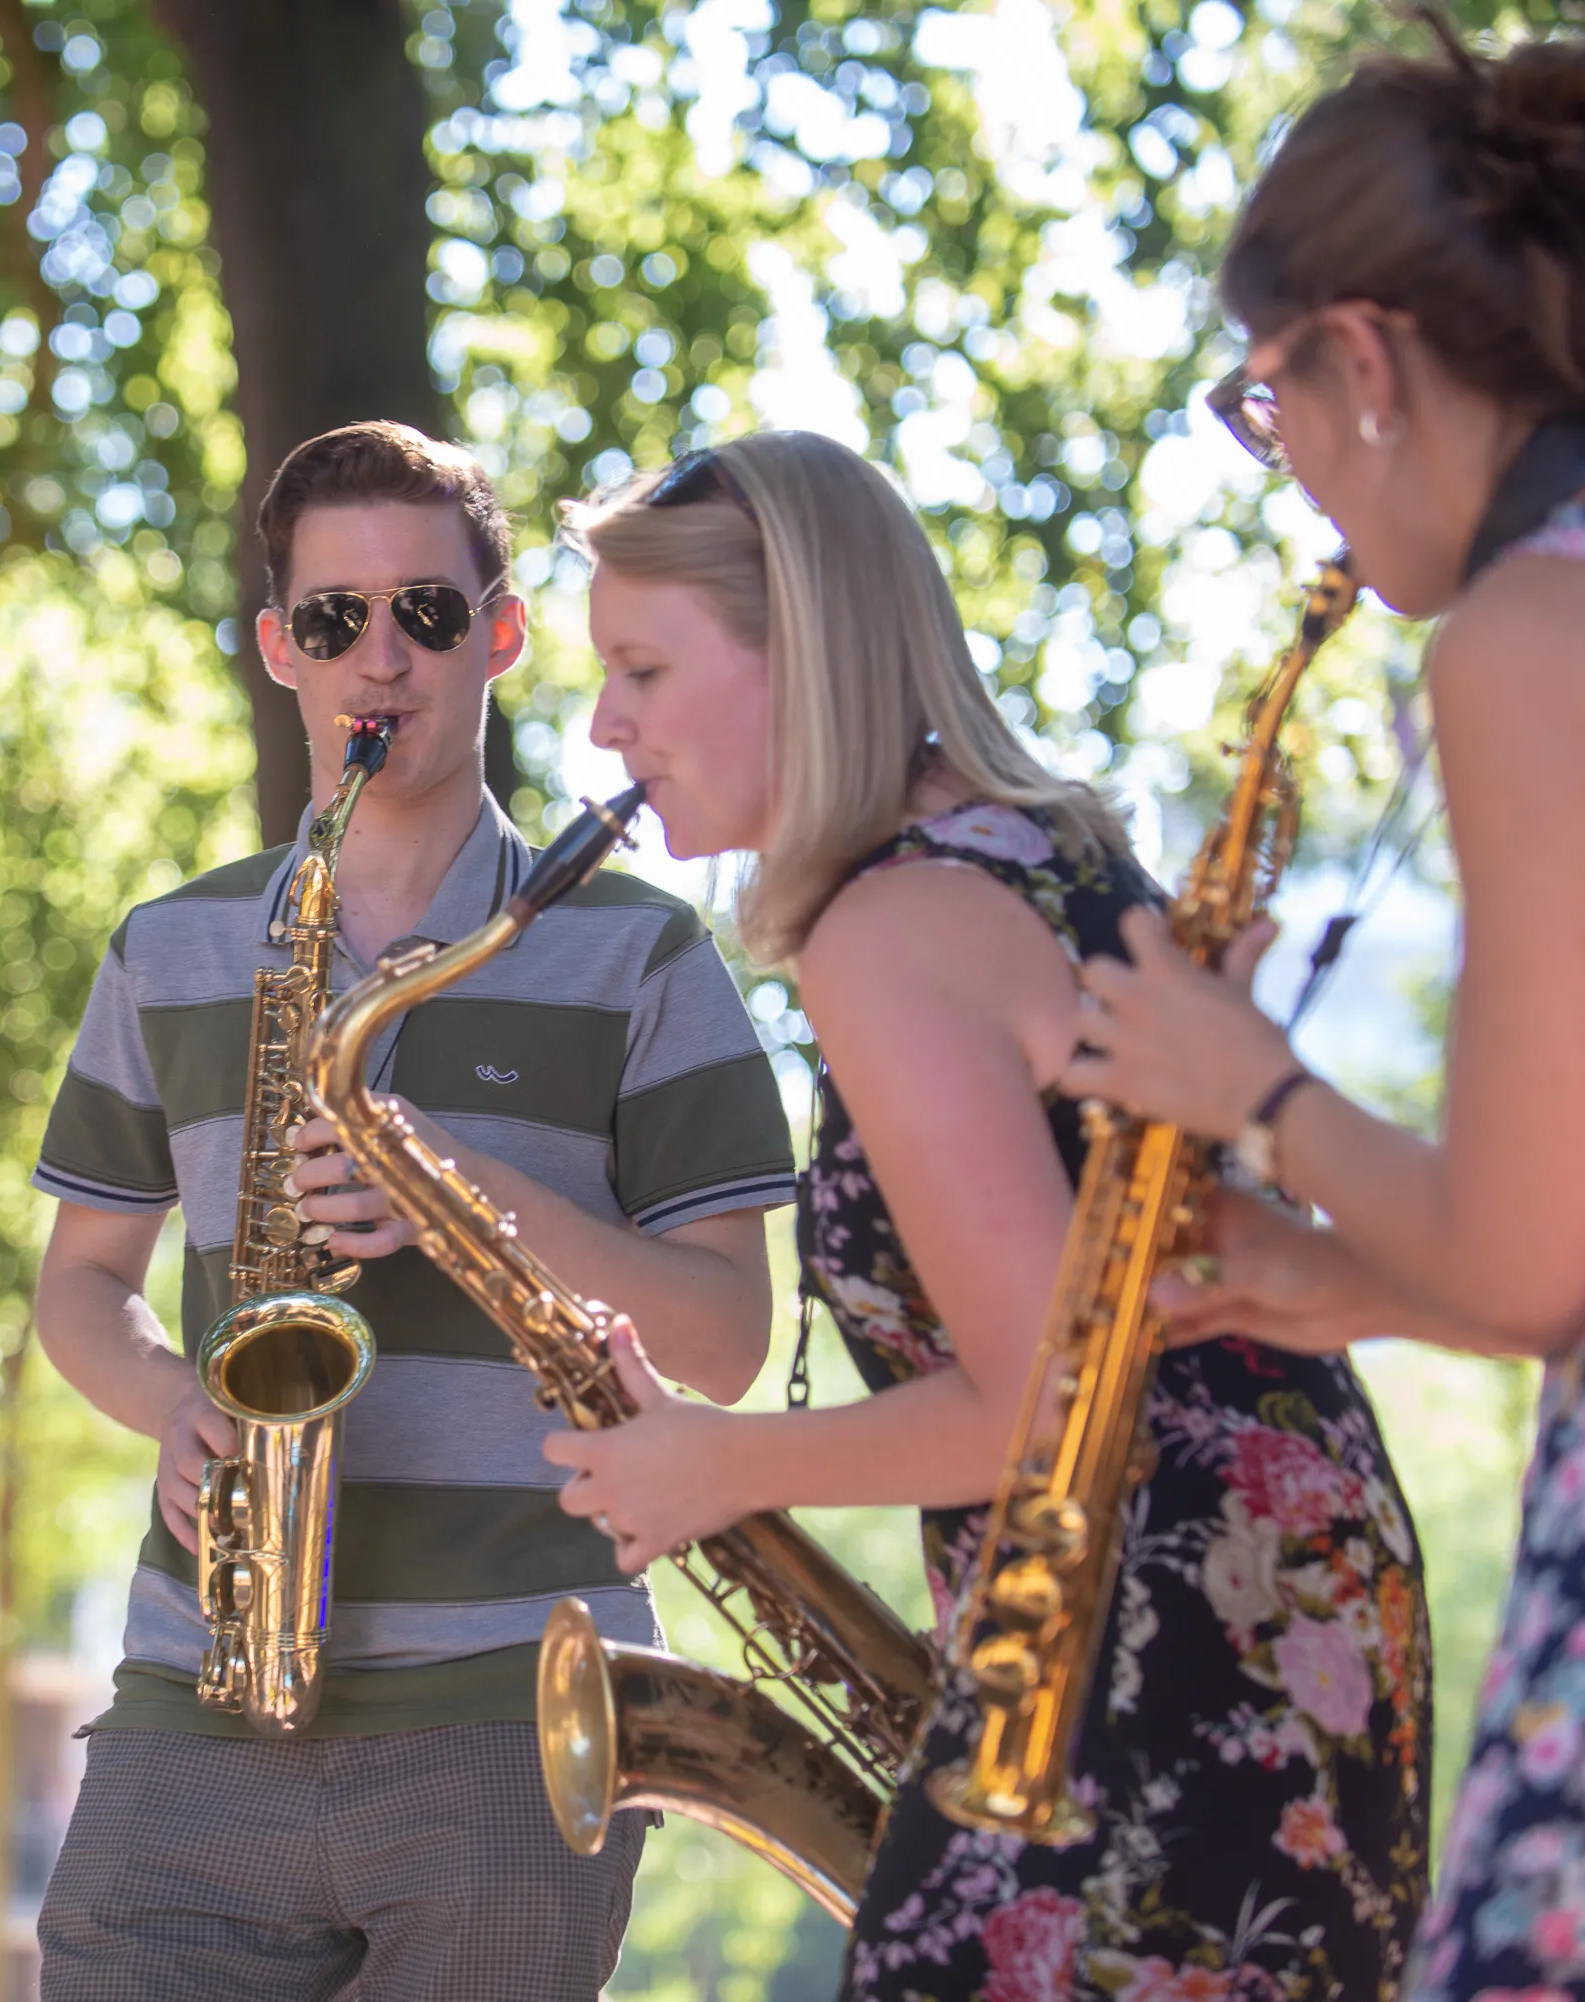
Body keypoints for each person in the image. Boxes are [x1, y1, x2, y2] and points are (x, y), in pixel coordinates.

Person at [1063, 26, 1585, 2002]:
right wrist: (1365, 1278)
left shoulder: (1542, 627)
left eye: (1272, 404)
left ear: (1367, 356)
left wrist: (1239, 1082)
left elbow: (1529, 1258)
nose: (1301, 480)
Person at [542, 429, 1432, 1999]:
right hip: (1289, 1597)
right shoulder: (1056, 850)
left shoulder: (887, 929)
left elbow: (1047, 1402)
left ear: (798, 658)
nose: (604, 724)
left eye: (644, 670)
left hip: (1151, 1649)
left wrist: (715, 1461)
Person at [27, 419, 796, 2001]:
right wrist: (169, 1398)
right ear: (278, 651)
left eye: (427, 615)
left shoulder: (643, 956)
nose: (382, 657)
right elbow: (82, 1281)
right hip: (206, 1683)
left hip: (516, 1705)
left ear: (502, 632)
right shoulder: (170, 948)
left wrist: (472, 1196)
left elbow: (727, 1338)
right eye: (334, 621)